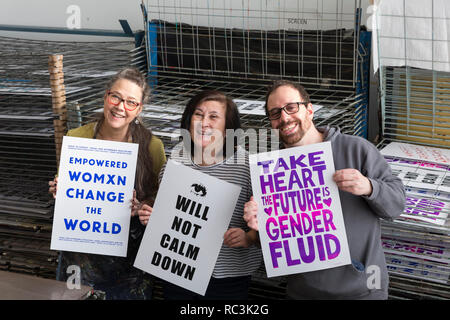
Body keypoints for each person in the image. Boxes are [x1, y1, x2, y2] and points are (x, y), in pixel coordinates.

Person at [243, 80, 405, 300]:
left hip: (363, 291)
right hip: (302, 293)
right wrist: (262, 229)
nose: (284, 118)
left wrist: (369, 187)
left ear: (309, 109)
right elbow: (277, 245)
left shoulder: (356, 148)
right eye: (275, 113)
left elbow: (397, 205)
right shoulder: (270, 171)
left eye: (291, 107)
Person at [48, 67, 166, 299]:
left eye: (131, 102)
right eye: (116, 97)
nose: (120, 107)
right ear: (106, 96)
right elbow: (67, 186)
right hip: (81, 251)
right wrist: (58, 189)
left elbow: (160, 199)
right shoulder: (76, 137)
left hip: (129, 260)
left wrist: (143, 205)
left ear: (139, 109)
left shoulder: (153, 146)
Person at [137, 90, 262, 300]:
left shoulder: (247, 165)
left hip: (226, 276)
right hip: (178, 268)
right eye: (198, 114)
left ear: (227, 126)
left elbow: (268, 221)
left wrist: (249, 237)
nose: (204, 123)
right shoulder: (178, 155)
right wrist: (152, 213)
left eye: (213, 117)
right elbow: (165, 204)